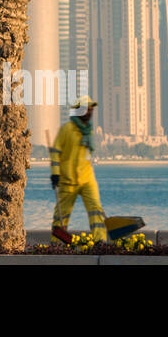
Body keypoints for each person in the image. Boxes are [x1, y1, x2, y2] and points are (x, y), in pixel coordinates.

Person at [50, 96, 105, 244]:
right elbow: (56, 152)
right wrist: (55, 174)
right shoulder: (67, 129)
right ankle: (56, 245)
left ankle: (100, 241)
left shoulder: (88, 131)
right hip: (68, 180)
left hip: (87, 178)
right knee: (62, 215)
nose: (90, 112)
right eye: (87, 109)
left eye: (91, 109)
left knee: (96, 210)